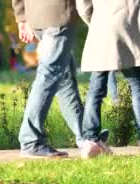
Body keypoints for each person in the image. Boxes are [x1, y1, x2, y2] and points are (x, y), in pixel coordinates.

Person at [76, 0, 140, 159]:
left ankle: (91, 141)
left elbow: (82, 6)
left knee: (96, 87)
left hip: (101, 24)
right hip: (126, 24)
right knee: (136, 83)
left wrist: (96, 20)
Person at [12, 0, 85, 158]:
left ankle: (86, 136)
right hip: (58, 13)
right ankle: (31, 140)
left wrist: (22, 17)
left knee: (63, 77)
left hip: (36, 16)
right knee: (50, 74)